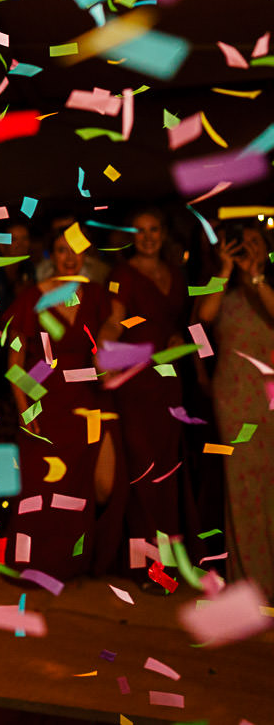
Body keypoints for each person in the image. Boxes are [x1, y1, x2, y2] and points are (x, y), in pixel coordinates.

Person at [0, 225, 127, 581]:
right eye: (60, 250)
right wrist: (27, 408)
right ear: (51, 256)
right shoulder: (30, 299)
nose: (69, 256)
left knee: (97, 485)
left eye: (75, 249)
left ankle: (76, 561)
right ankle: (41, 565)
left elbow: (119, 326)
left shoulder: (98, 296)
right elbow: (15, 364)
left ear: (84, 254)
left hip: (90, 400)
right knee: (46, 488)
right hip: (46, 403)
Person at [98, 208, 195, 576]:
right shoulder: (121, 275)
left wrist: (180, 338)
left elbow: (183, 323)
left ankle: (167, 562)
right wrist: (104, 348)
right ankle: (147, 567)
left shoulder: (177, 274)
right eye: (139, 231)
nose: (148, 237)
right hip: (135, 385)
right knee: (143, 476)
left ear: (164, 233)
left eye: (154, 229)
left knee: (167, 475)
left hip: (169, 385)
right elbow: (112, 320)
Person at [195, 221, 274, 595]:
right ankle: (251, 579)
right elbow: (201, 321)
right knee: (242, 488)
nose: (250, 250)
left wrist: (257, 277)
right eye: (243, 244)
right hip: (234, 398)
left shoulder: (267, 289)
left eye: (257, 243)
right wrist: (225, 271)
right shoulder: (219, 288)